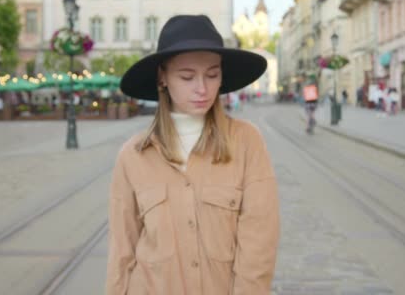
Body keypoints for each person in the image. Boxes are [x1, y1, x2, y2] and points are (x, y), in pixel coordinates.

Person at [106, 15, 279, 295]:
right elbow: (122, 252)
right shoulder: (132, 156)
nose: (202, 88)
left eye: (212, 75)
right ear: (163, 77)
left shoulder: (247, 142)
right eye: (187, 76)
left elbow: (259, 244)